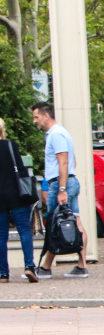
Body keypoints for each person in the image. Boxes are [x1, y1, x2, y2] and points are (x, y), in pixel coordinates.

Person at [30, 101, 87, 279]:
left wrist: (62, 188)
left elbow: (64, 162)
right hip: (68, 181)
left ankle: (46, 268)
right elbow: (73, 161)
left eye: (36, 117)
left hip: (60, 183)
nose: (35, 121)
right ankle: (81, 266)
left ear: (46, 115)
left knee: (54, 223)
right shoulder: (62, 133)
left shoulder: (56, 135)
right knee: (75, 221)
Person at [0, 118, 38, 283]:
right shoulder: (10, 145)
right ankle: (29, 266)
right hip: (17, 195)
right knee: (24, 231)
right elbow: (21, 170)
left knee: (1, 235)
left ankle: (3, 274)